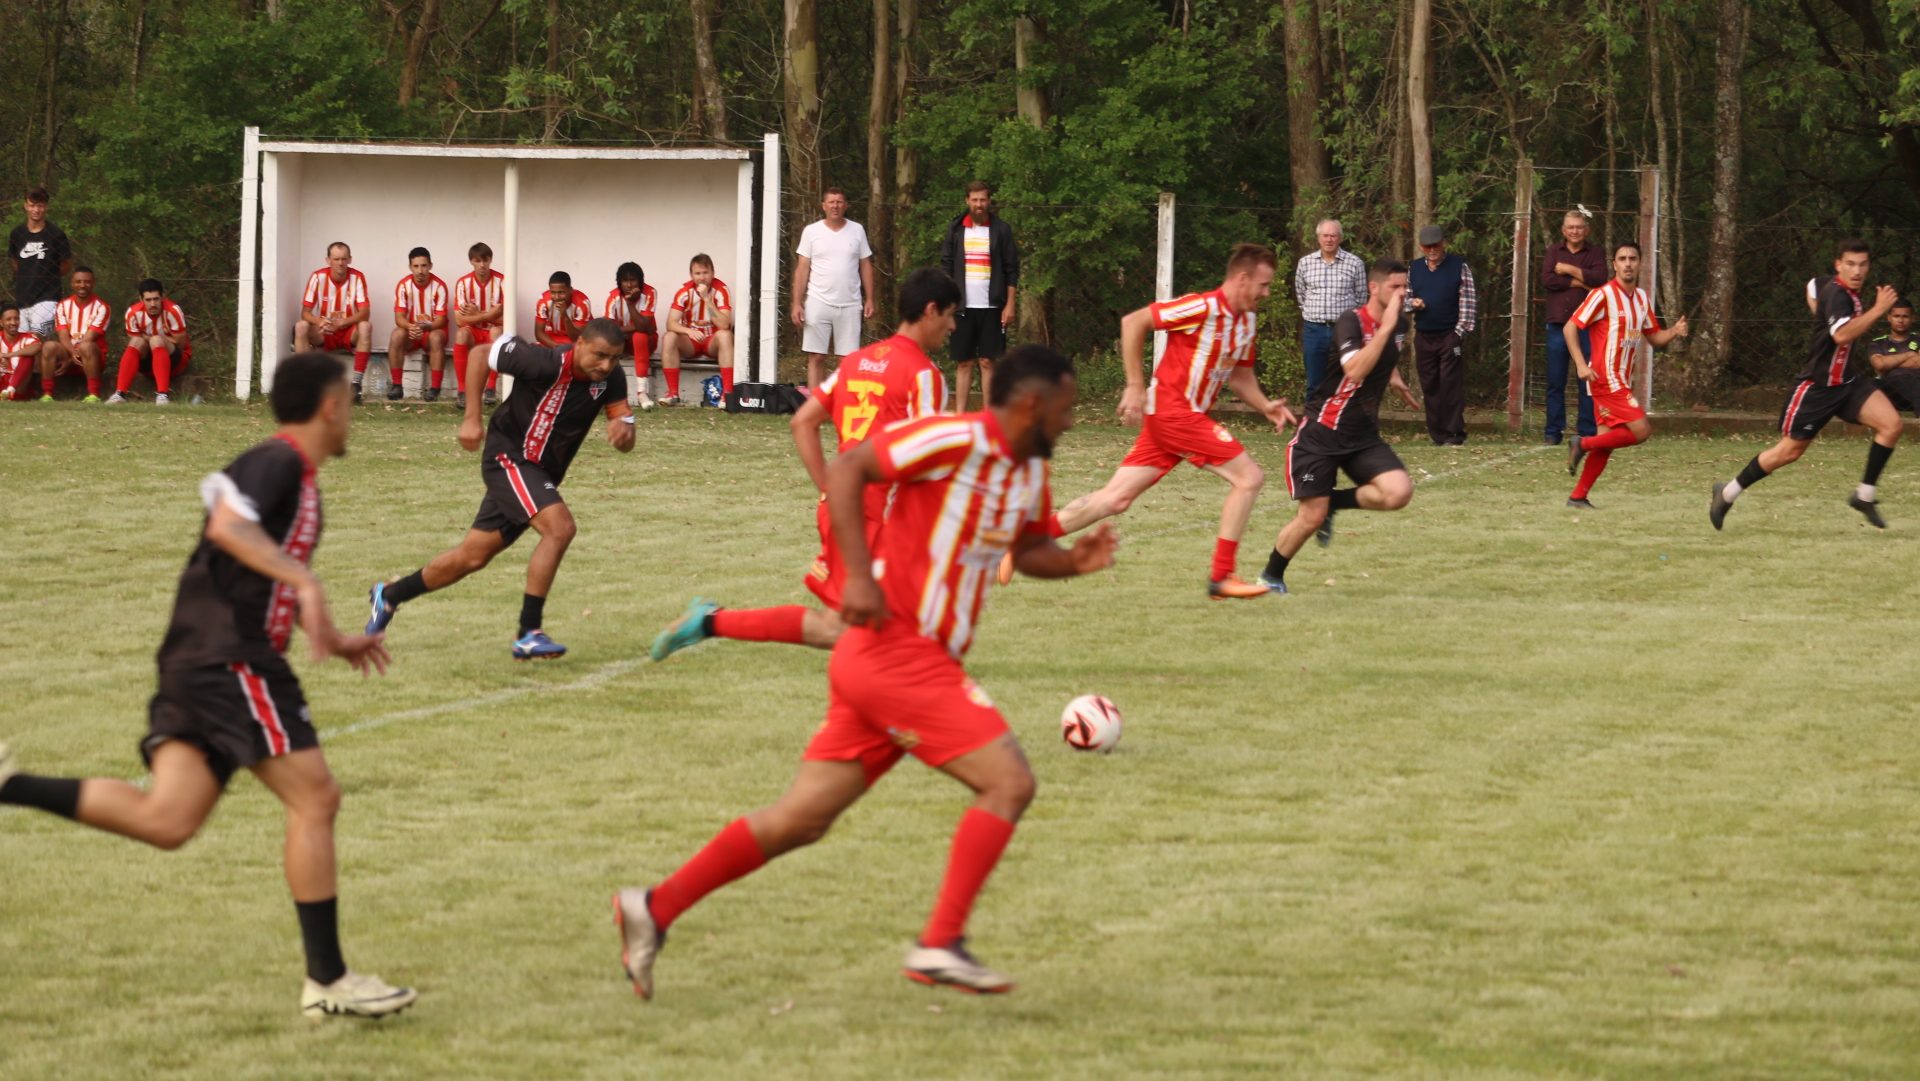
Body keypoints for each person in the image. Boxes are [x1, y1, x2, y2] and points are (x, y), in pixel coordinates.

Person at [613, 344, 1116, 1000]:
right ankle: (940, 941)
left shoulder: (1028, 472)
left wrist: (1072, 562)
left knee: (800, 820)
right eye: (1065, 409)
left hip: (890, 662)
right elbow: (850, 468)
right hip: (898, 653)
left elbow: (1027, 547)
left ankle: (653, 907)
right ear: (1030, 403)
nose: (1071, 421)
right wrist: (856, 577)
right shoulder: (954, 439)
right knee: (1010, 782)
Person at [0, 352, 416, 1021]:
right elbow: (227, 526)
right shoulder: (278, 460)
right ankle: (329, 980)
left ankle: (8, 784)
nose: (352, 415)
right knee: (316, 796)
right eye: (349, 401)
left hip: (197, 659)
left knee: (167, 820)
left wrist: (336, 638)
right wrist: (307, 583)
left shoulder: (298, 477)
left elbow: (258, 566)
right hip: (231, 657)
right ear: (330, 405)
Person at [650, 268, 957, 660]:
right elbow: (929, 462)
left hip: (843, 510)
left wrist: (830, 488)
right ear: (931, 310)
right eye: (950, 315)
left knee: (852, 627)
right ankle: (710, 621)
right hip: (876, 518)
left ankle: (710, 622)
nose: (952, 326)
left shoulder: (856, 363)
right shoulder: (925, 377)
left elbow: (803, 422)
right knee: (865, 631)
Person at [1029, 244, 1296, 600]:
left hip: (1175, 421)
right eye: (1263, 285)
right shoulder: (1202, 307)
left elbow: (1240, 378)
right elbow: (1133, 322)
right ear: (1242, 278)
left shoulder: (1246, 322)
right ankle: (1222, 576)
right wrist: (1134, 385)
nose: (1266, 293)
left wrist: (1265, 406)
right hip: (1174, 413)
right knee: (1249, 478)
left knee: (1115, 499)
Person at [364, 319, 634, 660]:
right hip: (509, 458)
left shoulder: (611, 379)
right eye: (600, 355)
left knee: (472, 556)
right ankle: (528, 632)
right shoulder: (542, 361)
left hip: (538, 474)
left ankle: (389, 595)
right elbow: (480, 355)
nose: (606, 365)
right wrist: (471, 418)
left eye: (614, 358)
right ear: (579, 344)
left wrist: (624, 431)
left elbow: (624, 428)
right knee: (560, 528)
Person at [1710, 239, 1904, 531]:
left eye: (1863, 264)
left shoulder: (1837, 288)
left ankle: (1864, 496)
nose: (1857, 271)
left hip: (1847, 383)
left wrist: (1818, 310)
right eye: (1850, 264)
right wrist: (1877, 310)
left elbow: (1812, 285)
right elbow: (1841, 336)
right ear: (1838, 264)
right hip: (1818, 388)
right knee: (1788, 452)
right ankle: (1727, 493)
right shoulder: (1837, 295)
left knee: (1891, 425)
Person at [1258, 259, 1418, 595]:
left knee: (1398, 492)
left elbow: (1383, 354)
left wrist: (1394, 377)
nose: (1402, 293)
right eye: (1395, 287)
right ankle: (1271, 575)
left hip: (1362, 436)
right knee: (1311, 517)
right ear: (1373, 288)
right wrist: (1386, 328)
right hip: (1321, 433)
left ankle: (1333, 502)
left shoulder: (1399, 324)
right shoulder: (1351, 321)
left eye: (1405, 287)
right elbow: (1355, 371)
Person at [1562, 242, 1689, 507]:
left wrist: (1674, 332)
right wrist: (1580, 364)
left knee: (1606, 442)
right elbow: (1569, 327)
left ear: (1640, 263)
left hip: (1621, 379)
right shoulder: (1602, 295)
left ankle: (1578, 496)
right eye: (1622, 259)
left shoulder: (1642, 298)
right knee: (1641, 430)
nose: (1628, 263)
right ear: (1615, 264)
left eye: (1633, 258)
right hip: (1605, 377)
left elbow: (1654, 338)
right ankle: (1582, 444)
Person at [940, 180, 1020, 411]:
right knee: (964, 362)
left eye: (983, 200)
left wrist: (1010, 304)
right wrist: (947, 304)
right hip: (962, 306)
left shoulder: (1001, 230)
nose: (979, 204)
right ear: (967, 200)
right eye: (974, 200)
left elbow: (1011, 270)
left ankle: (989, 416)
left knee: (987, 361)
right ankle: (960, 415)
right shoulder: (956, 229)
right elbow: (946, 267)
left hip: (992, 306)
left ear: (989, 201)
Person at [791, 187, 876, 390]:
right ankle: (815, 403)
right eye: (831, 202)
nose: (835, 206)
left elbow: (865, 264)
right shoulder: (811, 232)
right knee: (816, 356)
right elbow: (802, 268)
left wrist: (870, 299)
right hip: (818, 301)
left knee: (847, 360)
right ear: (824, 206)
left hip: (850, 303)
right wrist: (796, 303)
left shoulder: (857, 230)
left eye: (839, 202)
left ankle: (842, 403)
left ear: (846, 205)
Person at [1539, 210, 1606, 444]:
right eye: (1571, 227)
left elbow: (1600, 279)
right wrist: (1579, 282)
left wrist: (1568, 270)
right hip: (1558, 324)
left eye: (1579, 227)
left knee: (1587, 379)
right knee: (1555, 380)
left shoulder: (1595, 253)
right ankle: (1552, 432)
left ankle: (1586, 430)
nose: (1575, 231)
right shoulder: (1553, 251)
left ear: (1586, 230)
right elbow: (1548, 280)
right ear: (1563, 230)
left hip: (1588, 325)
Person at [1406, 224, 1477, 445]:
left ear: (1443, 243)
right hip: (1423, 335)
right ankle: (1437, 434)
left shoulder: (1459, 266)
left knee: (1450, 384)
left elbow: (1468, 302)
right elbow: (1404, 299)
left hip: (1449, 335)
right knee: (1430, 385)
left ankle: (1454, 433)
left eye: (1435, 245)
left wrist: (1458, 333)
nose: (1432, 250)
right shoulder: (1414, 268)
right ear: (1421, 247)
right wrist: (1412, 303)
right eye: (1427, 247)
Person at [1293, 219, 1368, 395]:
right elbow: (1301, 294)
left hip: (1344, 331)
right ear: (1318, 238)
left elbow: (1361, 298)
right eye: (1325, 235)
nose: (1329, 240)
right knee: (1314, 382)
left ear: (1340, 238)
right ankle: (1313, 413)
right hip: (1314, 330)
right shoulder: (1305, 263)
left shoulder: (1355, 263)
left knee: (1346, 381)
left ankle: (1343, 413)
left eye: (1333, 236)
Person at [293, 242, 372, 402]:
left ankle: (356, 385)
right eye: (336, 259)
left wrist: (342, 323)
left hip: (348, 331)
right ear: (328, 260)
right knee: (300, 326)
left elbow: (365, 313)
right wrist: (319, 321)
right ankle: (305, 384)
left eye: (344, 259)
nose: (340, 263)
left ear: (350, 259)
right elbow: (305, 313)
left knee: (365, 326)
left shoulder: (357, 277)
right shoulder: (317, 277)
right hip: (325, 332)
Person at [661, 254, 735, 405]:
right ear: (691, 275)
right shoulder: (684, 291)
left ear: (713, 273)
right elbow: (670, 323)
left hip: (712, 341)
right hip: (692, 341)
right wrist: (689, 331)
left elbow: (724, 325)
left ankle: (727, 394)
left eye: (705, 273)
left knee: (725, 335)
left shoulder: (721, 289)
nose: (702, 278)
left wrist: (706, 298)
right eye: (697, 273)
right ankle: (673, 394)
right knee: (669, 337)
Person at [107, 278, 192, 405]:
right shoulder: (133, 313)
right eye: (148, 300)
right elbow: (136, 340)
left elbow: (181, 343)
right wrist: (156, 338)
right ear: (141, 299)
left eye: (156, 299)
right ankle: (120, 394)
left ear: (162, 297)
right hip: (148, 364)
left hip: (175, 363)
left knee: (156, 340)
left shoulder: (173, 310)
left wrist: (154, 338)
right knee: (136, 342)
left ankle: (162, 395)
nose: (153, 304)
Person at [39, 266, 111, 402]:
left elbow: (89, 338)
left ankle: (94, 394)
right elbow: (63, 336)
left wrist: (70, 360)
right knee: (49, 346)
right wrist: (71, 356)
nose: (82, 285)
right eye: (78, 282)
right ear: (72, 283)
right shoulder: (62, 306)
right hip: (68, 354)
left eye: (87, 282)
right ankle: (47, 394)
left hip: (91, 358)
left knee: (86, 346)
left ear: (93, 283)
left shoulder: (102, 307)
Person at [386, 247, 449, 402]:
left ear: (430, 265)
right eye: (416, 266)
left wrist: (425, 327)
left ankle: (435, 389)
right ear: (410, 267)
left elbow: (441, 320)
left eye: (424, 266)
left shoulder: (439, 286)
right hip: (412, 332)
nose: (420, 271)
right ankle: (397, 386)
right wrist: (411, 327)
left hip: (432, 331)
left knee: (435, 337)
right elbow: (399, 318)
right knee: (396, 335)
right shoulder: (403, 285)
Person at [10, 187, 72, 338]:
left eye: (40, 206)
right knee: (22, 343)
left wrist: (46, 277)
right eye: (32, 205)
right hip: (23, 299)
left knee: (36, 339)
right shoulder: (17, 234)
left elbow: (66, 265)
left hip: (48, 298)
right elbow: (15, 262)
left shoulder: (56, 234)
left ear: (46, 207)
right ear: (26, 206)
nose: (36, 210)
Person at [451, 242, 504, 408]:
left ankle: (490, 388)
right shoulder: (463, 283)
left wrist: (476, 314)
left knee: (497, 332)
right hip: (474, 333)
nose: (482, 265)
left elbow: (507, 320)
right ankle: (462, 390)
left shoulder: (502, 281)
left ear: (490, 260)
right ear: (471, 261)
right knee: (461, 334)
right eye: (477, 261)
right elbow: (460, 321)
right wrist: (490, 315)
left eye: (485, 260)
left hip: (492, 333)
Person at [604, 261, 658, 410]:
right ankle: (604, 393)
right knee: (607, 340)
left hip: (647, 341)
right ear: (619, 282)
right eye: (625, 281)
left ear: (640, 281)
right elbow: (609, 329)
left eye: (633, 280)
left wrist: (630, 303)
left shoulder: (650, 293)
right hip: (623, 342)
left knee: (639, 336)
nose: (629, 285)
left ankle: (642, 393)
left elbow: (644, 328)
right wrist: (629, 330)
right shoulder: (613, 297)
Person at [1868, 297, 1920, 417]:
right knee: (1868, 383)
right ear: (1889, 317)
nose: (1901, 320)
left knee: (1908, 379)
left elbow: (1918, 362)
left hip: (1916, 385)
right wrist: (1909, 354)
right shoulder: (1878, 343)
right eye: (1896, 316)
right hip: (1890, 388)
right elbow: (1879, 364)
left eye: (1905, 316)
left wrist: (1889, 363)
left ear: (1912, 318)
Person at [0, 303, 45, 401]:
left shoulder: (27, 337)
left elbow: (37, 347)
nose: (13, 322)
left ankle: (10, 391)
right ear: (1, 323)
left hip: (19, 386)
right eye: (8, 319)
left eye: (16, 319)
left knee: (28, 355)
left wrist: (8, 355)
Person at [535, 271, 591, 348]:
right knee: (534, 348)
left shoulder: (582, 303)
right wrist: (558, 348)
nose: (556, 297)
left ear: (570, 290)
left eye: (561, 292)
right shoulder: (543, 301)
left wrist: (564, 315)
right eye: (553, 292)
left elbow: (576, 338)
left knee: (581, 348)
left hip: (575, 339)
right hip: (553, 338)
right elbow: (539, 334)